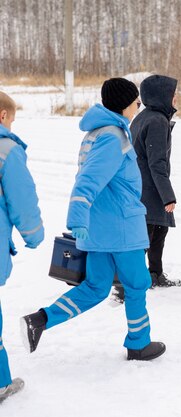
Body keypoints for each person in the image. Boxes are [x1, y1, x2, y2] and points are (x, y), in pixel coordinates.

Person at [21, 78, 166, 361]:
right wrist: (77, 219)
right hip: (121, 228)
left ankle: (40, 320)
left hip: (101, 229)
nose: (138, 106)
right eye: (136, 101)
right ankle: (139, 343)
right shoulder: (113, 137)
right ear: (125, 104)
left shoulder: (98, 133)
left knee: (96, 287)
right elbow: (87, 181)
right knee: (137, 284)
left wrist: (84, 223)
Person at [0, 91, 44, 403]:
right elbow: (22, 199)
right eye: (12, 119)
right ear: (3, 116)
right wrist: (34, 235)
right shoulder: (6, 148)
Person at [131, 74, 180, 289]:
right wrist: (167, 196)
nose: (176, 97)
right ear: (162, 96)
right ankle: (129, 281)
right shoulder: (157, 121)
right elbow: (157, 163)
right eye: (172, 93)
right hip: (149, 187)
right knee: (147, 234)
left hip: (141, 184)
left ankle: (154, 274)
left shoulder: (144, 117)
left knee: (158, 230)